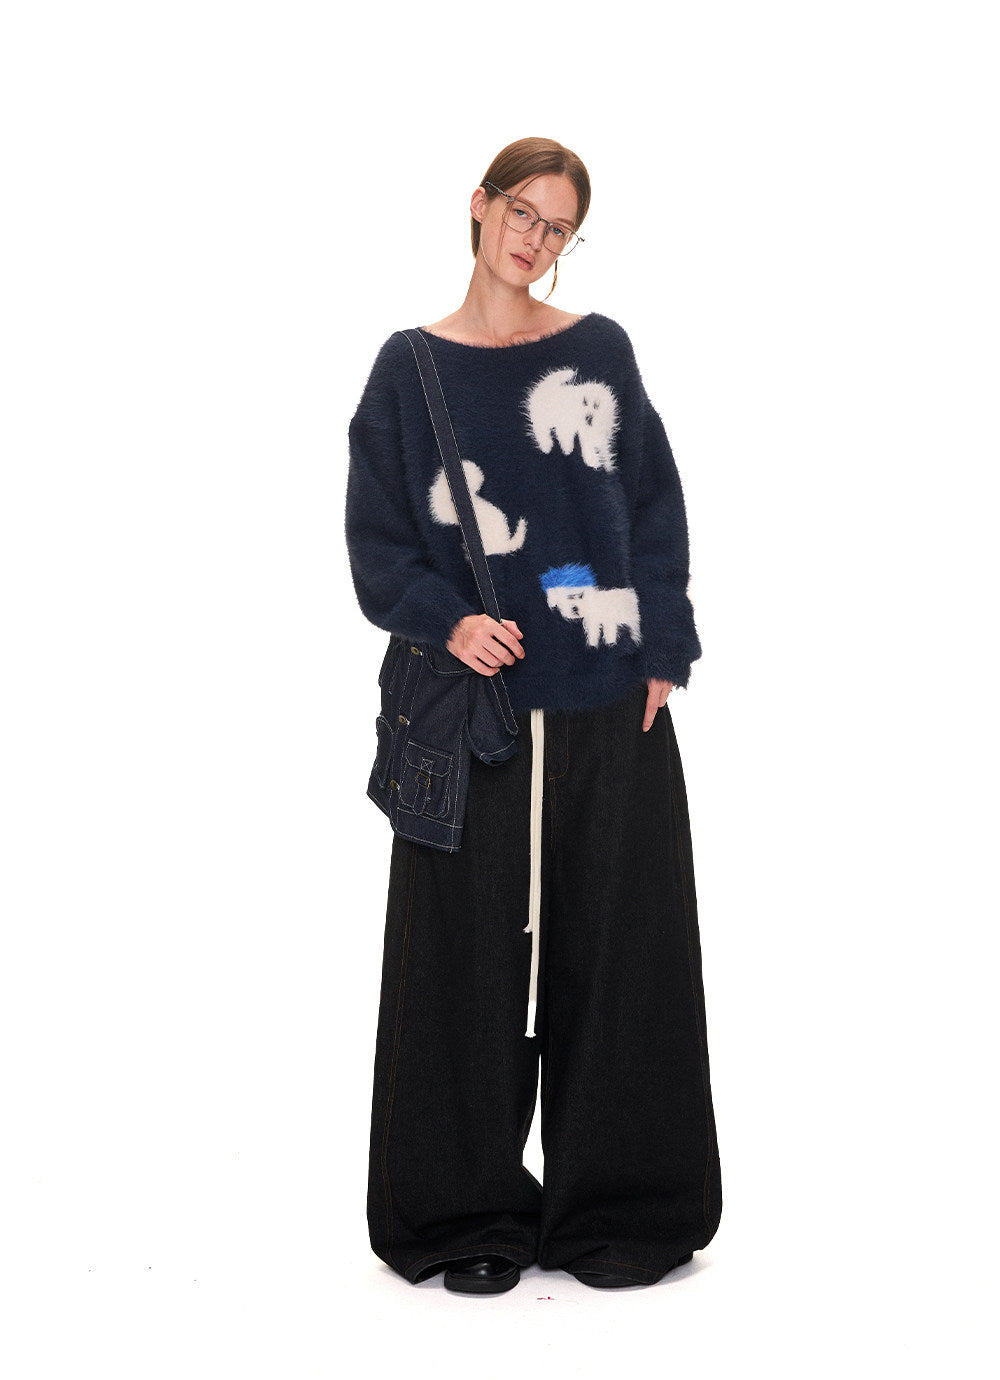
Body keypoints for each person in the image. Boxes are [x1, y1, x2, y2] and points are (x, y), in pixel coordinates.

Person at [345, 137, 722, 1295]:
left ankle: (623, 1210)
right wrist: (447, 620)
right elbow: (378, 542)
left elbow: (650, 501)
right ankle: (461, 1215)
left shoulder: (598, 350)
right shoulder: (409, 370)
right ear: (480, 206)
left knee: (624, 951)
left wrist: (663, 643)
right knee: (458, 966)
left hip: (611, 705)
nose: (535, 239)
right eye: (522, 211)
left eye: (558, 226)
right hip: (478, 711)